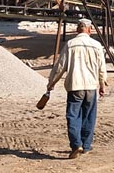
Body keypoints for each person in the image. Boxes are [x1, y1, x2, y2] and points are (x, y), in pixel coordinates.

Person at [46, 18, 109, 159]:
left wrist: (51, 83)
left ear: (77, 30)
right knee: (89, 116)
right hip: (91, 86)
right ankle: (86, 145)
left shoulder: (70, 44)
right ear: (89, 30)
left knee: (73, 116)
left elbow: (60, 67)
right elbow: (102, 68)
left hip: (75, 85)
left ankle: (76, 145)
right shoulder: (97, 45)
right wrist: (102, 85)